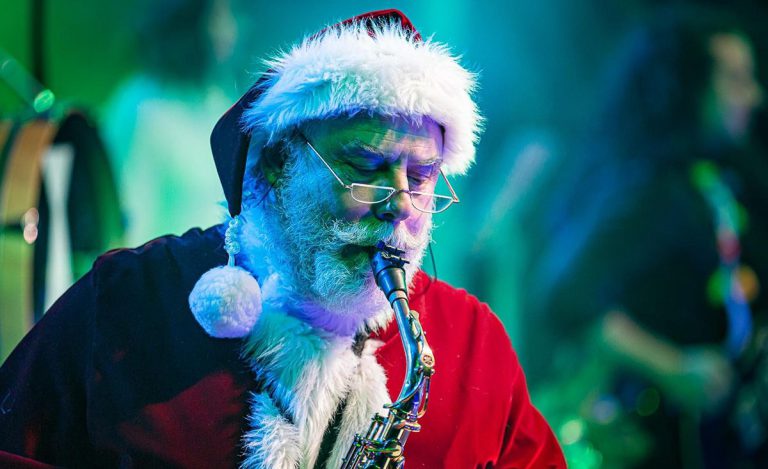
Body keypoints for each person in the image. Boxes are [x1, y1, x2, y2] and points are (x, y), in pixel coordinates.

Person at [0, 10, 565, 468]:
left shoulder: (472, 341)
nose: (401, 205)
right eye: (365, 165)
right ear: (276, 162)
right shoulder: (129, 299)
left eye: (420, 178)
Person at [524, 7, 766, 468]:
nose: (753, 96)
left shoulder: (715, 179)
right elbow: (563, 296)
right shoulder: (648, 190)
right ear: (686, 87)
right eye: (735, 79)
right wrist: (673, 368)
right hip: (654, 441)